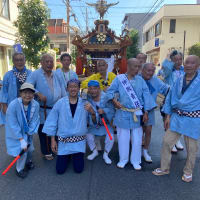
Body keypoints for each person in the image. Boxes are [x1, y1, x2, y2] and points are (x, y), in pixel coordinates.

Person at [152, 55, 200, 183]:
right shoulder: (179, 79)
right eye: (187, 63)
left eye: (192, 63)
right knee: (167, 141)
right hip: (177, 116)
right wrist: (167, 116)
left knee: (192, 147)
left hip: (193, 118)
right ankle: (164, 168)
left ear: (198, 65)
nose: (189, 65)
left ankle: (188, 171)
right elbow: (169, 98)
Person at [103, 58, 156, 170]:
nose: (137, 69)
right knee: (123, 138)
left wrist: (146, 111)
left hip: (137, 113)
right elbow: (110, 91)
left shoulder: (141, 80)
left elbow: (146, 96)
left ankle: (136, 160)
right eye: (135, 66)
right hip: (123, 112)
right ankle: (123, 159)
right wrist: (114, 101)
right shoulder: (119, 79)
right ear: (128, 66)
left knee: (137, 139)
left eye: (138, 67)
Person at [42, 79, 96, 174]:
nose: (73, 89)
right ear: (67, 89)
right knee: (60, 170)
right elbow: (52, 122)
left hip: (79, 142)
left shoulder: (85, 103)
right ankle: (68, 155)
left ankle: (73, 155)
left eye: (75, 86)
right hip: (64, 142)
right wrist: (53, 140)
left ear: (79, 88)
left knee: (79, 170)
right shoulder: (60, 103)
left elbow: (94, 123)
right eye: (70, 86)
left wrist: (92, 112)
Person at [26, 53, 67, 160]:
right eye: (46, 61)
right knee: (44, 131)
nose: (49, 63)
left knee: (56, 129)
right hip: (42, 109)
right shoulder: (35, 74)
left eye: (51, 61)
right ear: (42, 63)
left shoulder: (56, 74)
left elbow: (63, 88)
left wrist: (65, 101)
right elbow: (27, 86)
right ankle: (46, 151)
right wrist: (38, 93)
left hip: (56, 108)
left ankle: (55, 148)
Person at [5, 83, 40, 178]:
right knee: (22, 150)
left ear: (33, 94)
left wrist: (30, 132)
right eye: (25, 92)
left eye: (30, 93)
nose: (27, 95)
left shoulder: (35, 104)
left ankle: (28, 162)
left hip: (28, 131)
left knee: (30, 148)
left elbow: (35, 119)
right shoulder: (13, 105)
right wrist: (21, 139)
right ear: (20, 93)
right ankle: (19, 169)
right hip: (17, 133)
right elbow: (12, 123)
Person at [141, 63, 169, 163]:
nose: (151, 73)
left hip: (150, 109)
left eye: (152, 70)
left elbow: (166, 89)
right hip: (137, 110)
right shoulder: (137, 79)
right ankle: (136, 150)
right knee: (138, 132)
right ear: (142, 70)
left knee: (148, 131)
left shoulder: (156, 80)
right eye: (148, 70)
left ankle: (145, 151)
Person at [86, 80, 115, 164]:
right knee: (88, 135)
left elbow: (112, 110)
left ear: (99, 88)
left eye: (95, 88)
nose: (93, 91)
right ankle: (94, 151)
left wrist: (104, 110)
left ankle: (106, 154)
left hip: (105, 123)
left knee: (110, 137)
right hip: (93, 124)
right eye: (90, 89)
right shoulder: (87, 98)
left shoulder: (106, 97)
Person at [162, 50, 185, 153]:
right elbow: (166, 68)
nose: (178, 61)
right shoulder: (168, 71)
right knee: (169, 120)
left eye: (180, 59)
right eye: (175, 59)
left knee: (180, 120)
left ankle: (177, 140)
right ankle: (170, 142)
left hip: (182, 100)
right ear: (171, 61)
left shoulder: (185, 70)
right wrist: (168, 58)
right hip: (170, 98)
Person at [0, 52, 32, 119]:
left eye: (21, 60)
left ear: (25, 61)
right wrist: (4, 106)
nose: (19, 62)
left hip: (28, 105)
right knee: (14, 126)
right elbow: (4, 91)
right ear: (13, 61)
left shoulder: (31, 74)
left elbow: (35, 89)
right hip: (12, 105)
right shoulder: (8, 75)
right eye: (17, 60)